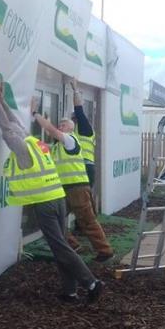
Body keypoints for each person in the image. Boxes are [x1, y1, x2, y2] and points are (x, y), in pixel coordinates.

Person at [0, 78, 104, 304]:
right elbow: (15, 124)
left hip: (46, 203)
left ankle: (91, 282)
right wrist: (2, 102)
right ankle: (70, 291)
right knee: (62, 244)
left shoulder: (23, 148)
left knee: (59, 246)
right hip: (58, 198)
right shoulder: (34, 142)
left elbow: (7, 128)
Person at [31, 94, 113, 262]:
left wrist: (35, 114)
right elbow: (44, 142)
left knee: (87, 220)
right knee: (57, 220)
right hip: (62, 190)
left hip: (77, 188)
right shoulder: (57, 147)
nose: (60, 126)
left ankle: (105, 250)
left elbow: (51, 130)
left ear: (71, 128)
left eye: (64, 124)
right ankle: (73, 245)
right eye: (60, 124)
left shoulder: (70, 140)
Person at [68, 79, 97, 188]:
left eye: (73, 118)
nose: (72, 120)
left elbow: (79, 110)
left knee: (83, 195)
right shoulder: (77, 131)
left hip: (85, 167)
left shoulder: (84, 128)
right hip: (82, 167)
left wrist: (75, 90)